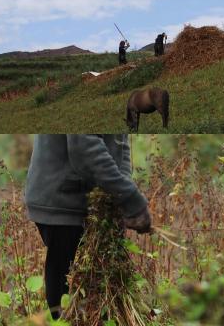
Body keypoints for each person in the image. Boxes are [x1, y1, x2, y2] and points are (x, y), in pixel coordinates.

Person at [24, 134, 152, 320]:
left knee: (97, 298)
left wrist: (121, 196)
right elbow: (84, 148)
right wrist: (129, 197)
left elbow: (118, 142)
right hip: (65, 201)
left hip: (85, 199)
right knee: (67, 305)